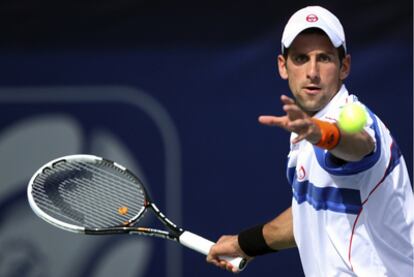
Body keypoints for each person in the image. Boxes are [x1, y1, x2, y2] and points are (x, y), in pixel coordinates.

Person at [206, 5, 414, 276]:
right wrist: (243, 244)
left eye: (325, 58)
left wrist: (322, 134)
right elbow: (310, 213)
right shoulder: (306, 128)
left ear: (344, 67)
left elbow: (359, 145)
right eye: (301, 58)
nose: (312, 71)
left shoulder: (353, 120)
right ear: (283, 66)